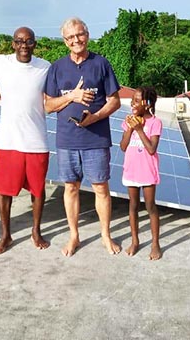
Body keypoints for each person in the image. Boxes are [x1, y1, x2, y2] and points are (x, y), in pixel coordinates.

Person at [44, 17, 122, 257]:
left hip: (96, 140)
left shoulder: (101, 64)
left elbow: (115, 101)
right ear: (65, 41)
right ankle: (74, 236)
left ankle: (105, 236)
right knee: (71, 187)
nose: (76, 40)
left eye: (80, 35)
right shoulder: (57, 68)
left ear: (87, 35)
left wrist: (95, 117)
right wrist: (72, 97)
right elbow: (48, 105)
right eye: (70, 37)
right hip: (67, 141)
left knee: (100, 188)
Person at [0, 26, 51, 254]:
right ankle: (6, 235)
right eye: (19, 41)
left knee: (38, 191)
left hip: (36, 141)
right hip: (8, 141)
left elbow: (55, 95)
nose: (24, 45)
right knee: (4, 191)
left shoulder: (45, 68)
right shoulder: (0, 63)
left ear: (35, 44)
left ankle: (36, 231)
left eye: (29, 41)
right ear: (13, 43)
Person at [119, 87, 163, 260]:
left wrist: (139, 129)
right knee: (132, 206)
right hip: (131, 170)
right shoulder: (128, 121)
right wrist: (130, 128)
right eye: (132, 100)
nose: (132, 103)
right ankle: (135, 241)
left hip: (147, 172)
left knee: (150, 207)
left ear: (148, 104)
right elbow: (123, 146)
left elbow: (152, 149)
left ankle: (155, 244)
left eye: (137, 101)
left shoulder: (155, 122)